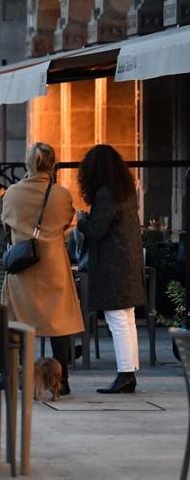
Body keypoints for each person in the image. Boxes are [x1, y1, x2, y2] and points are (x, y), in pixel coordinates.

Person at [2, 142, 83, 395]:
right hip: (54, 265)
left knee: (21, 320)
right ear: (53, 164)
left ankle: (25, 375)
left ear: (28, 163)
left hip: (22, 268)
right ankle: (64, 378)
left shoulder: (13, 193)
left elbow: (6, 225)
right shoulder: (60, 194)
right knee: (59, 324)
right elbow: (67, 222)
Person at [77, 144, 145, 394]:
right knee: (126, 320)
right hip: (127, 263)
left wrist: (82, 221)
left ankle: (125, 375)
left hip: (113, 265)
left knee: (118, 320)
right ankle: (129, 372)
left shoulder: (106, 194)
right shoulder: (124, 192)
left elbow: (96, 230)